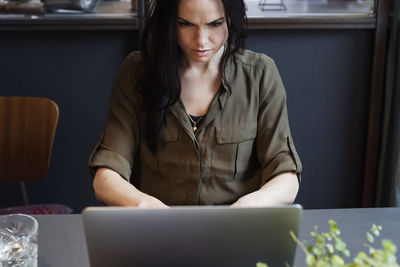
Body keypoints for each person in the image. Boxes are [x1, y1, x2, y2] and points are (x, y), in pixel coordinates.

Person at [88, 0, 302, 208]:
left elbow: (286, 176)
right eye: (186, 24)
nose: (201, 40)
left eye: (215, 24)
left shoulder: (259, 74)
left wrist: (252, 204)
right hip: (157, 230)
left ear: (230, 19)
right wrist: (144, 204)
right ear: (170, 21)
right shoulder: (136, 72)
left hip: (235, 229)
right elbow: (106, 176)